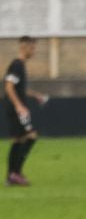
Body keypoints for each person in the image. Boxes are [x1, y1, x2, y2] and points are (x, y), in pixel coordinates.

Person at [4, 36, 46, 187]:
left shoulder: (20, 65)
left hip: (16, 108)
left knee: (21, 139)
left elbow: (19, 88)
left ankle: (13, 174)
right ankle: (14, 174)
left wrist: (36, 95)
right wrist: (19, 106)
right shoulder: (16, 65)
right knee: (29, 137)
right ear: (24, 47)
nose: (34, 51)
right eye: (32, 48)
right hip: (16, 109)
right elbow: (8, 87)